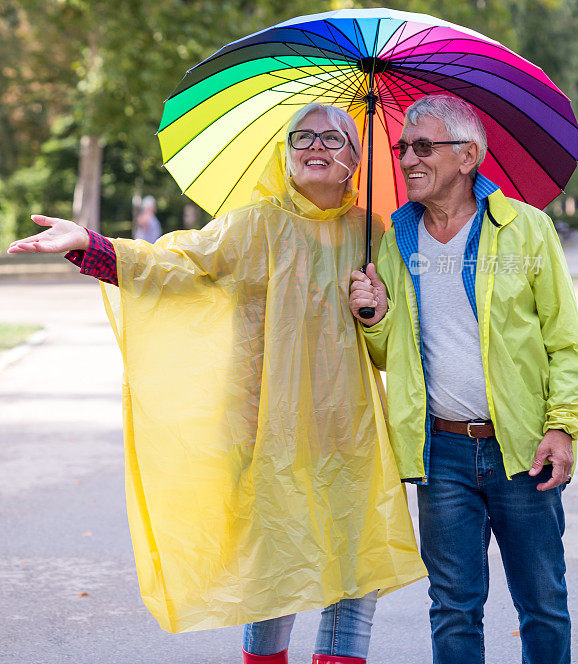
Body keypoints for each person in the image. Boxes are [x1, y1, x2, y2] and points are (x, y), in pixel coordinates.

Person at [8, 103, 426, 664]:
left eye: (334, 138)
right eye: (303, 136)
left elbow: (393, 337)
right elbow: (178, 264)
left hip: (348, 430)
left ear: (355, 159)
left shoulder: (371, 232)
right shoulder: (256, 223)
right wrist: (90, 244)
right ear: (287, 153)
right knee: (276, 568)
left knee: (355, 567)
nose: (316, 146)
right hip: (264, 426)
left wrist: (373, 312)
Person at [349, 94, 578, 664]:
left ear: (468, 155)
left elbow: (565, 341)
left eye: (423, 147)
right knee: (453, 606)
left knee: (542, 602)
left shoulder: (525, 230)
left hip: (521, 448)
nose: (406, 160)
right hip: (441, 450)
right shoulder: (395, 239)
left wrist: (564, 427)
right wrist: (373, 316)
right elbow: (388, 355)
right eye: (404, 148)